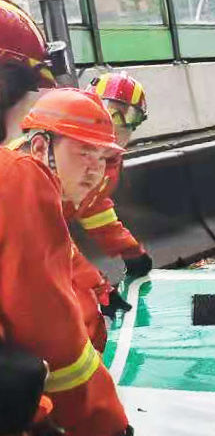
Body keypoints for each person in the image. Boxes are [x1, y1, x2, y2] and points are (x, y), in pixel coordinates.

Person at [0, 80, 139, 436]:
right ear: (40, 143)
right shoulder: (20, 179)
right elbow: (51, 331)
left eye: (104, 159)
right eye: (85, 154)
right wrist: (102, 428)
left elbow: (55, 271)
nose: (96, 171)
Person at [71, 72, 153, 283]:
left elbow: (94, 208)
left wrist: (128, 249)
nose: (116, 125)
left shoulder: (110, 164)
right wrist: (95, 287)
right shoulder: (62, 158)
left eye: (130, 117)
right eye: (110, 112)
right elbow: (46, 238)